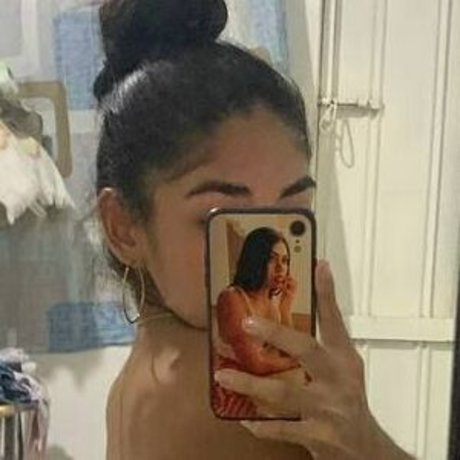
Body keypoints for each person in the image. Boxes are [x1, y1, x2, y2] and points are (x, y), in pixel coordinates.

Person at [94, 0, 415, 458]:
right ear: (123, 226)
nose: (266, 253)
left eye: (292, 211)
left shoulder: (137, 384)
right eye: (223, 218)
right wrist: (365, 442)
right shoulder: (237, 401)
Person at [212, 226, 307, 419]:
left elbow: (286, 351)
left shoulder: (271, 303)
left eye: (285, 260)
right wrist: (297, 362)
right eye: (272, 259)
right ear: (255, 260)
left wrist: (285, 307)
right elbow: (255, 364)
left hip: (261, 383)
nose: (280, 268)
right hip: (234, 389)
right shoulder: (231, 298)